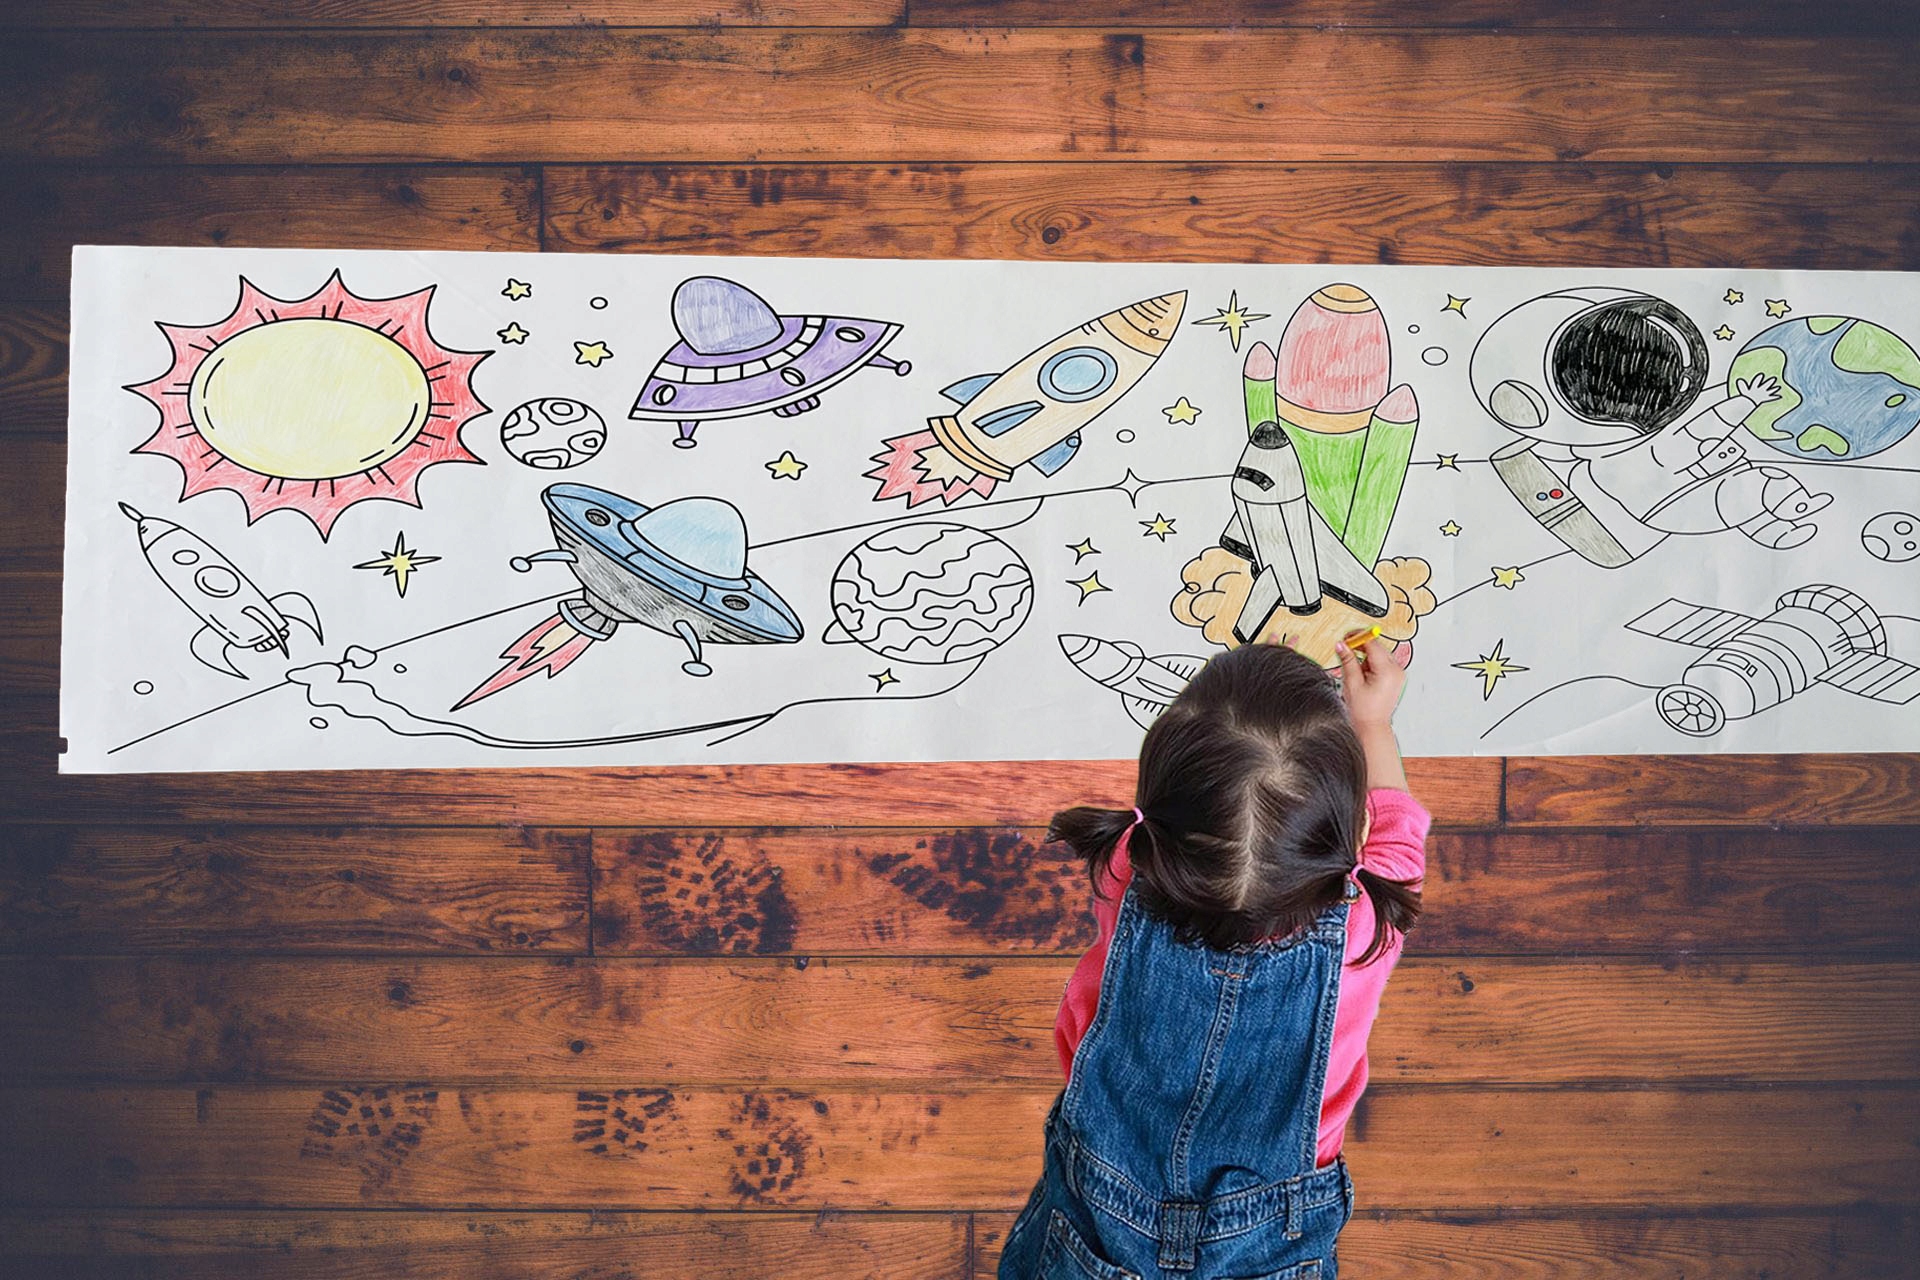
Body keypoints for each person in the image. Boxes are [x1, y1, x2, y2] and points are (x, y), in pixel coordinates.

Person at [997, 635, 1427, 1279]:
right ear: (1352, 832)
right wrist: (1372, 724)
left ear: (1156, 810)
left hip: (1096, 1203)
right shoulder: (1366, 925)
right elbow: (1398, 834)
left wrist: (1247, 692)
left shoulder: (1129, 866)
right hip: (1271, 1234)